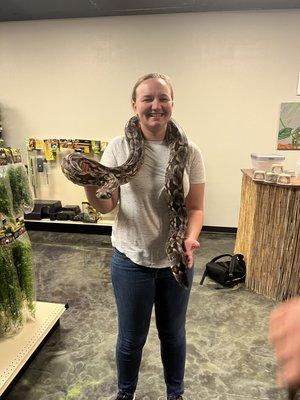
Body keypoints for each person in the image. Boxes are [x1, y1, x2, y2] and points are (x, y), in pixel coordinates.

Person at [84, 73, 205, 400]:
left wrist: (191, 237)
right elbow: (107, 205)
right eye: (148, 99)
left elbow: (195, 208)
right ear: (134, 104)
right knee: (131, 338)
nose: (156, 105)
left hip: (176, 260)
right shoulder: (118, 147)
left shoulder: (189, 150)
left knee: (173, 335)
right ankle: (126, 394)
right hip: (131, 260)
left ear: (171, 103)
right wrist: (89, 182)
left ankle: (175, 393)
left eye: (163, 98)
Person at [269, 297, 300, 390]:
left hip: (291, 357)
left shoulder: (291, 307)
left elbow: (275, 333)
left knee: (293, 379)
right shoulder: (292, 308)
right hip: (293, 357)